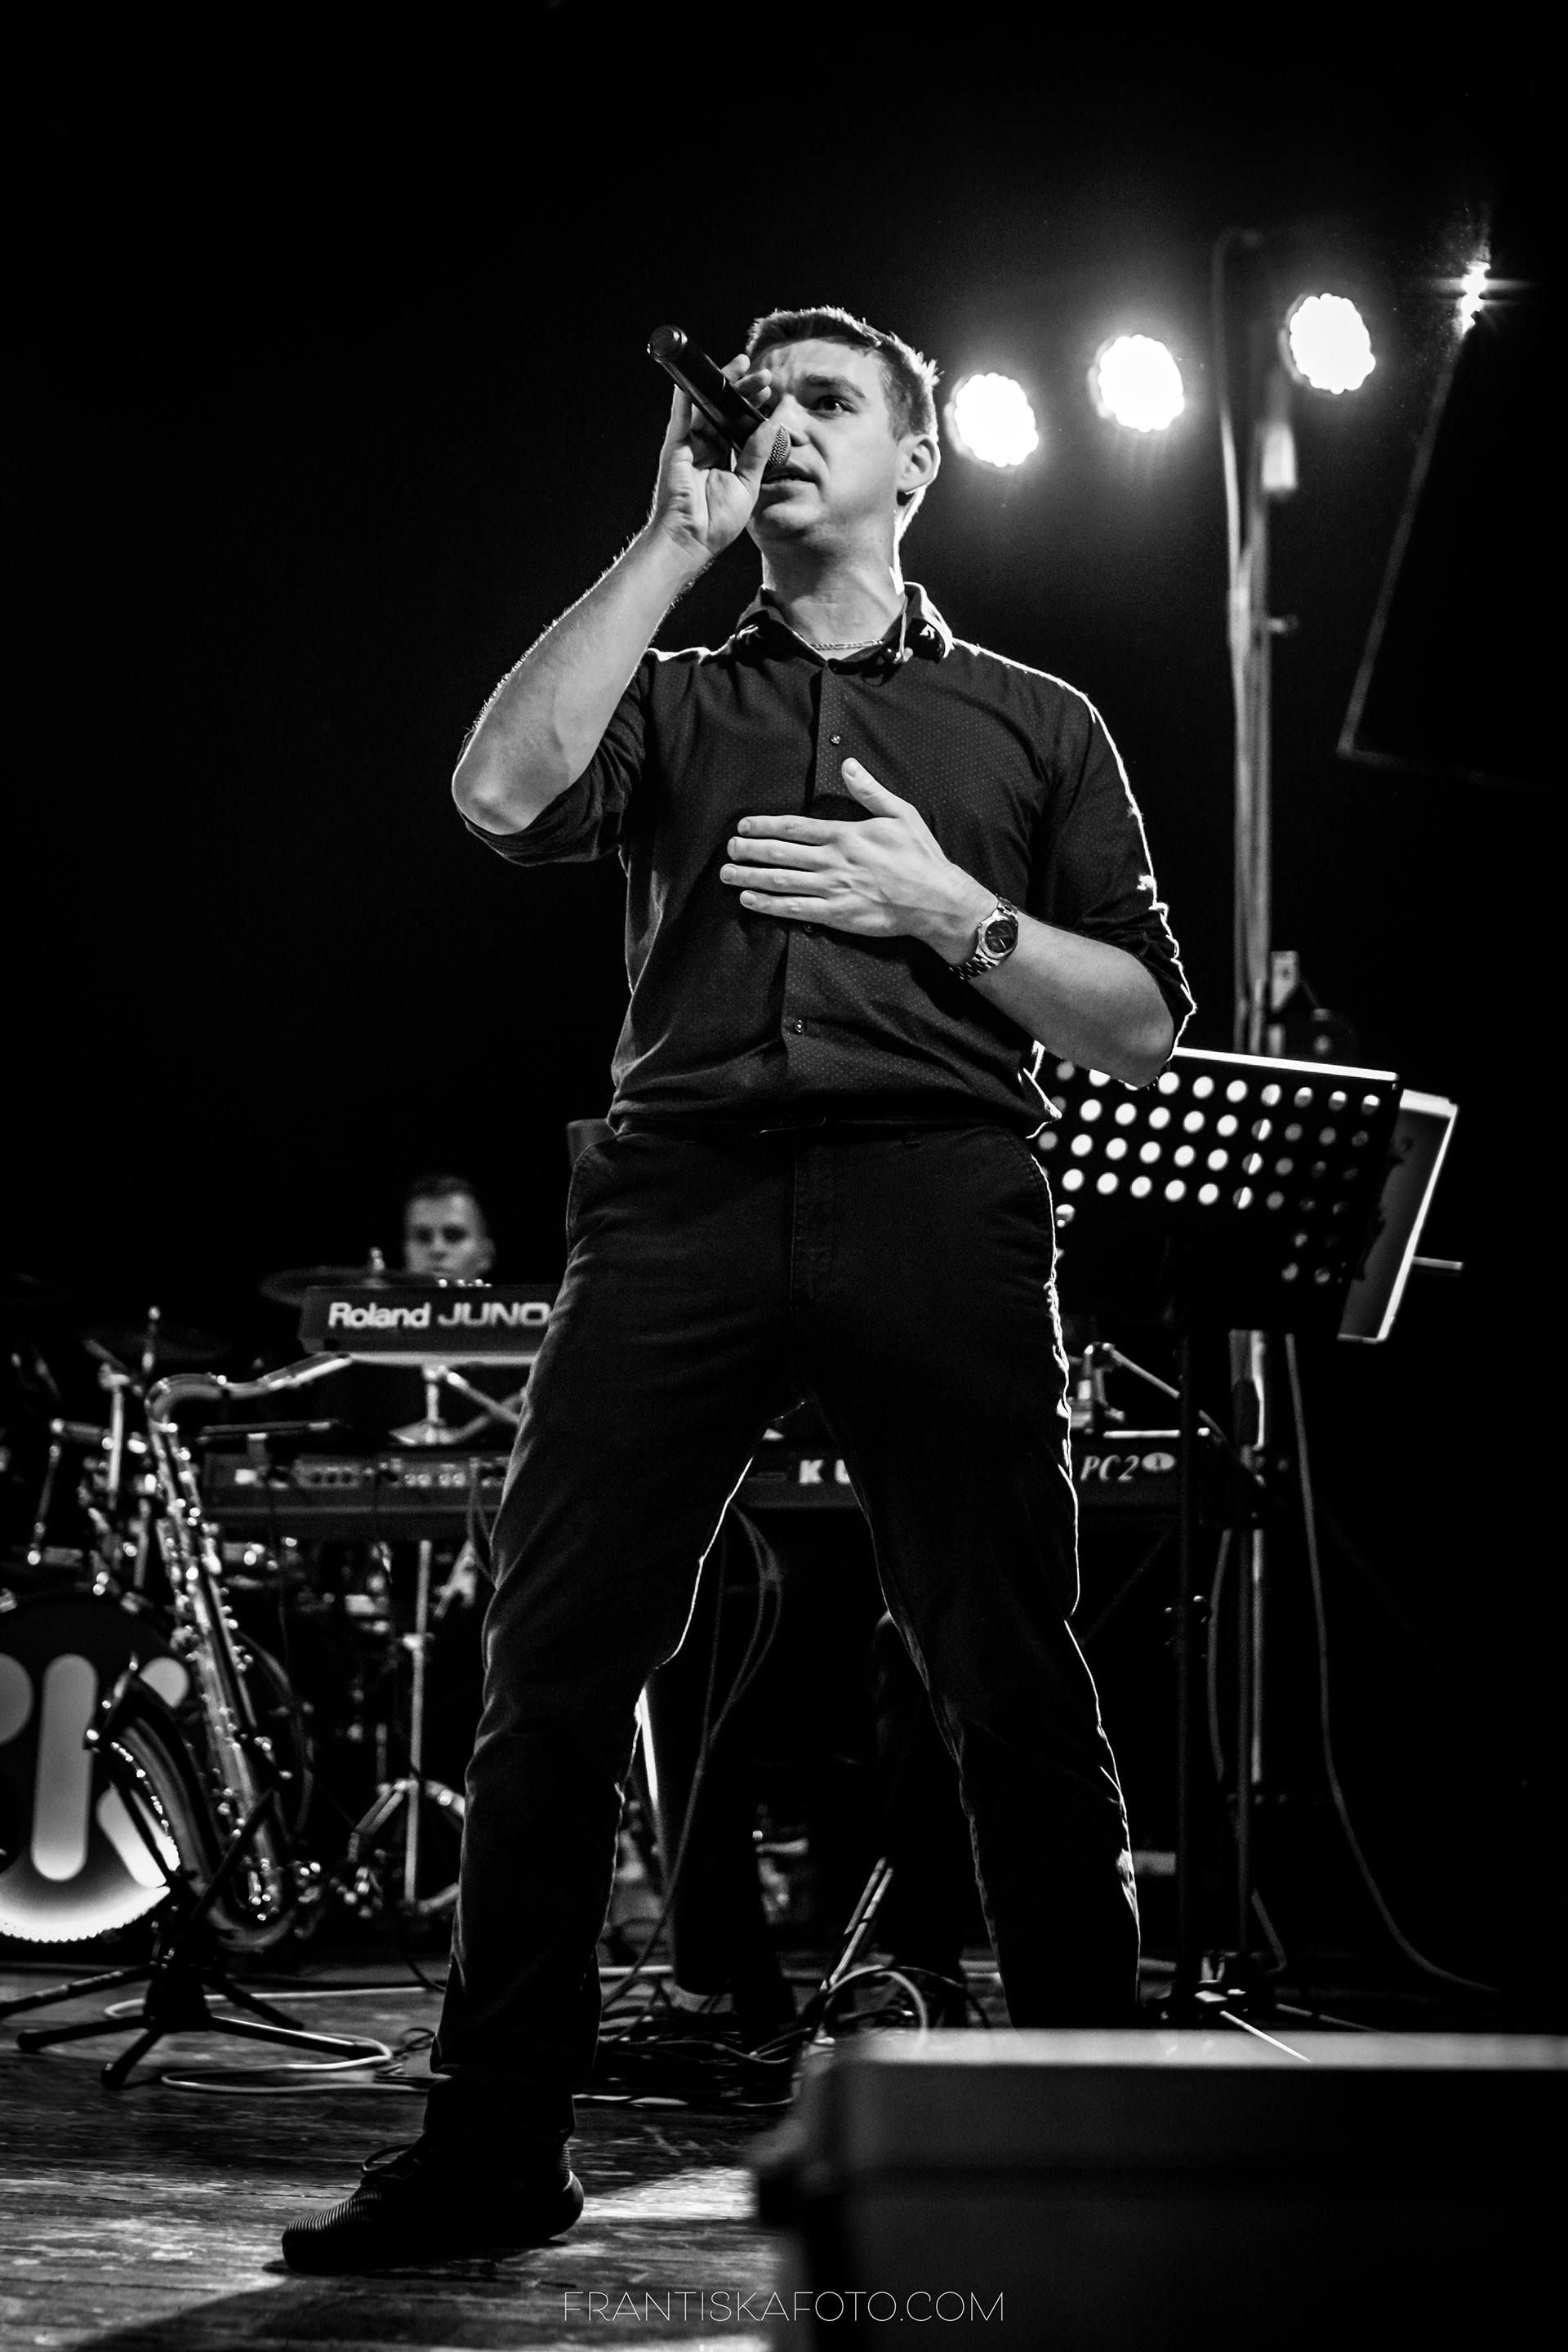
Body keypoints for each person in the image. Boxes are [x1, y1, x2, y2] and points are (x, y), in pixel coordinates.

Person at [283, 301, 1192, 2272]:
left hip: (936, 1190)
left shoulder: (1036, 722)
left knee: (1009, 1675)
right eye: (758, 400)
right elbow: (498, 792)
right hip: (677, 1200)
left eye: (828, 401)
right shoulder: (677, 694)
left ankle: (1102, 2138)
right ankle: (494, 2144)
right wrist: (667, 542)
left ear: (918, 462)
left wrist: (954, 915)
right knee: (552, 1665)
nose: (780, 423)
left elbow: (1133, 1022)